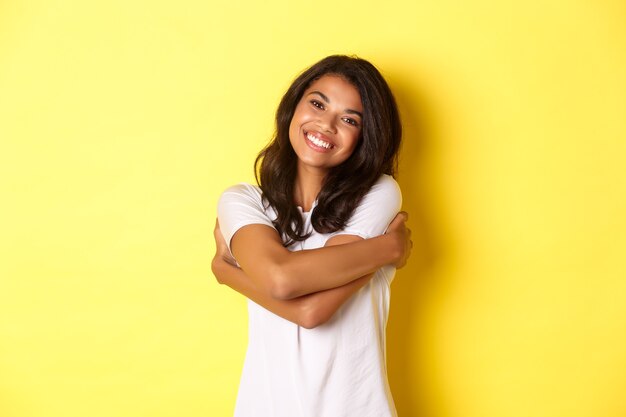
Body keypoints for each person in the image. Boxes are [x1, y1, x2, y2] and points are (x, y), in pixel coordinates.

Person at [212, 55, 412, 417]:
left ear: (365, 137)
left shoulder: (378, 194)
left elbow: (312, 310)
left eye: (349, 119)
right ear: (294, 107)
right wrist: (386, 248)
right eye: (317, 103)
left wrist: (228, 272)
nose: (326, 124)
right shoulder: (242, 201)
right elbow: (284, 282)